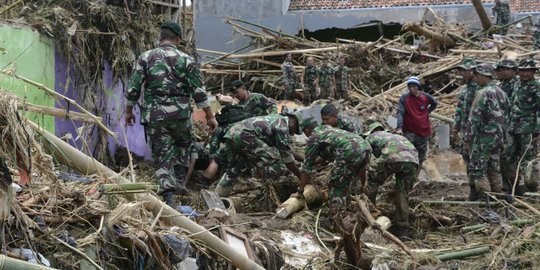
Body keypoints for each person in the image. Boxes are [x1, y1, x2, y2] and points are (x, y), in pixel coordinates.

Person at [125, 22, 218, 206]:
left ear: (160, 38)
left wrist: (128, 112)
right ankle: (180, 184)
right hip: (181, 117)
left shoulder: (146, 57)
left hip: (156, 117)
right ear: (178, 39)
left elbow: (134, 88)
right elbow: (199, 91)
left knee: (162, 155)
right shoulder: (187, 59)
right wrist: (210, 116)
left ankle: (168, 197)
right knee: (183, 148)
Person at [205, 80, 277, 182]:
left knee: (262, 156)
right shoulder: (239, 105)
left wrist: (270, 119)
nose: (235, 95)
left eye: (236, 92)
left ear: (243, 88)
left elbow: (272, 105)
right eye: (233, 94)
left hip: (262, 132)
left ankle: (263, 179)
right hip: (247, 135)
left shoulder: (257, 97)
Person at [214, 113, 303, 197]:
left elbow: (287, 150)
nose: (293, 133)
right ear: (294, 122)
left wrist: (304, 159)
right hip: (246, 136)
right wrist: (301, 177)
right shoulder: (282, 126)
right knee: (276, 162)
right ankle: (269, 192)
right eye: (295, 130)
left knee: (234, 169)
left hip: (232, 134)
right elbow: (287, 160)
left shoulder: (275, 119)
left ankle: (217, 197)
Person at [293, 118, 371, 206]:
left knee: (335, 185)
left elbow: (306, 168)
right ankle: (347, 207)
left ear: (307, 130)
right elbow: (325, 155)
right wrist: (363, 183)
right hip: (366, 147)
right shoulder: (329, 130)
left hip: (349, 151)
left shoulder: (314, 137)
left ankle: (338, 212)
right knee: (346, 182)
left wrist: (300, 191)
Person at [363, 122, 419, 239]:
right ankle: (402, 228)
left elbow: (368, 159)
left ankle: (368, 215)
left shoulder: (370, 137)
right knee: (403, 193)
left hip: (391, 156)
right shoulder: (396, 137)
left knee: (372, 182)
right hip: (412, 160)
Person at [463, 64, 508, 200]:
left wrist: (467, 138)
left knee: (479, 170)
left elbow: (474, 117)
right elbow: (508, 114)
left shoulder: (482, 93)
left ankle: (486, 200)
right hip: (498, 137)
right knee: (494, 169)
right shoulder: (502, 92)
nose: (476, 79)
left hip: (483, 138)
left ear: (484, 76)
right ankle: (498, 198)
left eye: (477, 76)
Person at [502, 59, 540, 194]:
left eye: (527, 71)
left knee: (528, 158)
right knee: (508, 154)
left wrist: (538, 130)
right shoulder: (517, 84)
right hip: (513, 126)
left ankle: (531, 187)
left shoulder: (536, 86)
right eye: (522, 71)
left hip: (529, 128)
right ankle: (512, 183)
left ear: (533, 72)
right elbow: (512, 104)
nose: (524, 74)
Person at [395, 76, 438, 179]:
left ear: (418, 87)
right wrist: (399, 127)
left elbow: (434, 103)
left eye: (414, 86)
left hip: (423, 131)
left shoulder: (426, 97)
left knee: (421, 156)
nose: (411, 89)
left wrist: (428, 112)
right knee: (407, 152)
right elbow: (400, 113)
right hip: (409, 131)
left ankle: (416, 177)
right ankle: (405, 176)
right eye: (409, 87)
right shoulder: (404, 98)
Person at [451, 58, 479, 199]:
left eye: (465, 70)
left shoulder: (479, 87)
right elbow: (460, 109)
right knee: (467, 158)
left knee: (476, 160)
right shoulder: (466, 87)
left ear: (473, 70)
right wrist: (456, 128)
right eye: (461, 70)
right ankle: (473, 187)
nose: (462, 73)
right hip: (465, 129)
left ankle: (479, 190)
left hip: (476, 131)